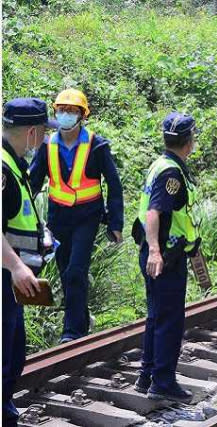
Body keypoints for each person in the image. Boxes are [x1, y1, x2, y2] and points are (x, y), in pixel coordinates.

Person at [29, 88, 124, 344]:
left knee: (76, 271)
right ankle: (82, 321)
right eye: (62, 110)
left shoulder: (97, 145)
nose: (66, 115)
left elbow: (114, 185)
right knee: (64, 271)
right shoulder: (47, 145)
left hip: (87, 216)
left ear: (82, 115)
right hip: (58, 217)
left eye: (72, 111)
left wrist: (115, 223)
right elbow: (33, 183)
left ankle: (71, 333)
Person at [133, 112, 201, 403]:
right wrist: (156, 251)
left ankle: (147, 376)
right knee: (169, 320)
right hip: (165, 257)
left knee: (156, 316)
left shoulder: (162, 164)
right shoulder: (171, 173)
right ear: (188, 142)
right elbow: (154, 211)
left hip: (160, 255)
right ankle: (162, 381)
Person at [2, 98, 56, 426]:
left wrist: (41, 235)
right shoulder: (3, 167)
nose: (46, 140)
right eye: (44, 133)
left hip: (11, 283)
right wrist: (17, 266)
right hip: (5, 278)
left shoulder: (15, 162)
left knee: (14, 353)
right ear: (33, 132)